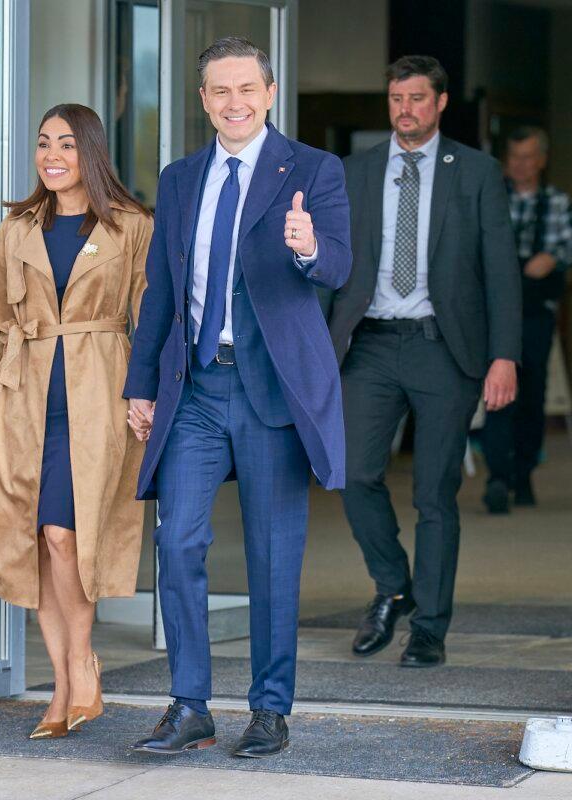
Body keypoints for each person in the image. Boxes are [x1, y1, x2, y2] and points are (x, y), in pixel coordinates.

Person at [123, 37, 351, 758]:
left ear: (270, 91)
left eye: (247, 89)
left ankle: (270, 710)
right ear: (203, 100)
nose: (234, 103)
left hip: (270, 393)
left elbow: (341, 267)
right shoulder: (182, 178)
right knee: (178, 539)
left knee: (273, 556)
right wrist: (141, 386)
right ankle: (190, 704)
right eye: (220, 91)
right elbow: (162, 290)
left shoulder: (312, 170)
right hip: (195, 389)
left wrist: (309, 245)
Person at [0, 103, 153, 740]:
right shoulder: (18, 228)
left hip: (98, 395)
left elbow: (153, 318)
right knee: (36, 537)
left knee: (71, 534)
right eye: (43, 143)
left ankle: (81, 665)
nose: (52, 155)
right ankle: (64, 687)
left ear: (89, 152)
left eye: (66, 144)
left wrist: (145, 394)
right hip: (25, 398)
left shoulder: (130, 227)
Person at [325, 55, 520, 669]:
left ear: (439, 103)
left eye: (416, 98)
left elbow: (500, 272)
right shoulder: (353, 172)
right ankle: (393, 585)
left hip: (445, 348)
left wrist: (504, 356)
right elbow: (330, 268)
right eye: (395, 99)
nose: (404, 109)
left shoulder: (478, 172)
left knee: (435, 494)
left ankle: (429, 627)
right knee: (353, 474)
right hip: (372, 346)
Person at [481, 125, 572, 513]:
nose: (522, 165)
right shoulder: (490, 196)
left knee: (531, 395)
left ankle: (524, 472)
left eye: (529, 157)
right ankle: (497, 475)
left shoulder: (556, 201)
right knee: (495, 393)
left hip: (535, 312)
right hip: (492, 310)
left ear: (541, 160)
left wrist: (553, 257)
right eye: (514, 157)